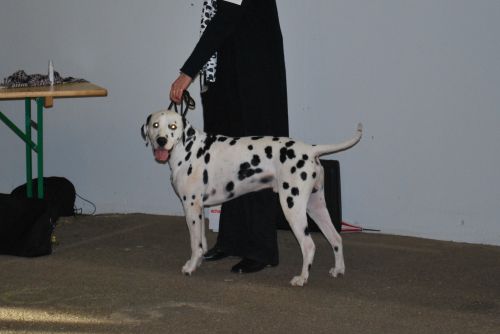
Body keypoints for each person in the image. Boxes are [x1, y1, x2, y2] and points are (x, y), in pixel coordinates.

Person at [169, 0, 289, 273]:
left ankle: (261, 248)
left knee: (257, 161)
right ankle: (233, 240)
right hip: (228, 78)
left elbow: (225, 17)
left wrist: (188, 72)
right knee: (227, 162)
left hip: (254, 78)